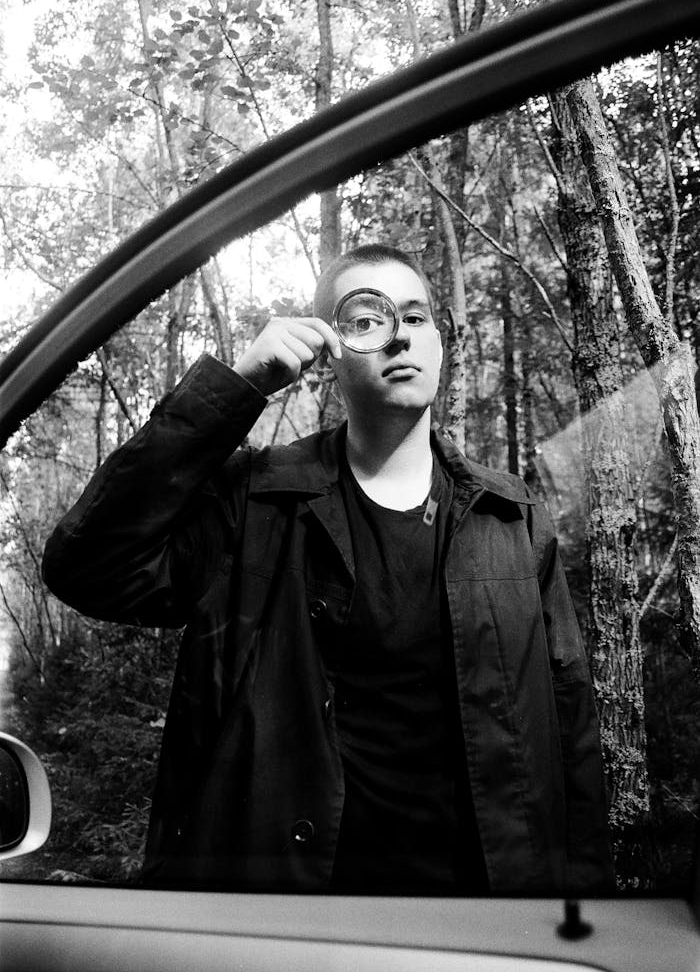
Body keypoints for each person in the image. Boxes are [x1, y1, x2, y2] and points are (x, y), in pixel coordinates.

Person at [42, 243, 614, 896]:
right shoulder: (255, 503)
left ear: (440, 345)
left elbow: (571, 738)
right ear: (326, 356)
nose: (399, 336)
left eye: (417, 317)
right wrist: (238, 387)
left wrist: (583, 919)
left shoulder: (511, 520)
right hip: (289, 921)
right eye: (368, 319)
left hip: (482, 922)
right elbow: (88, 565)